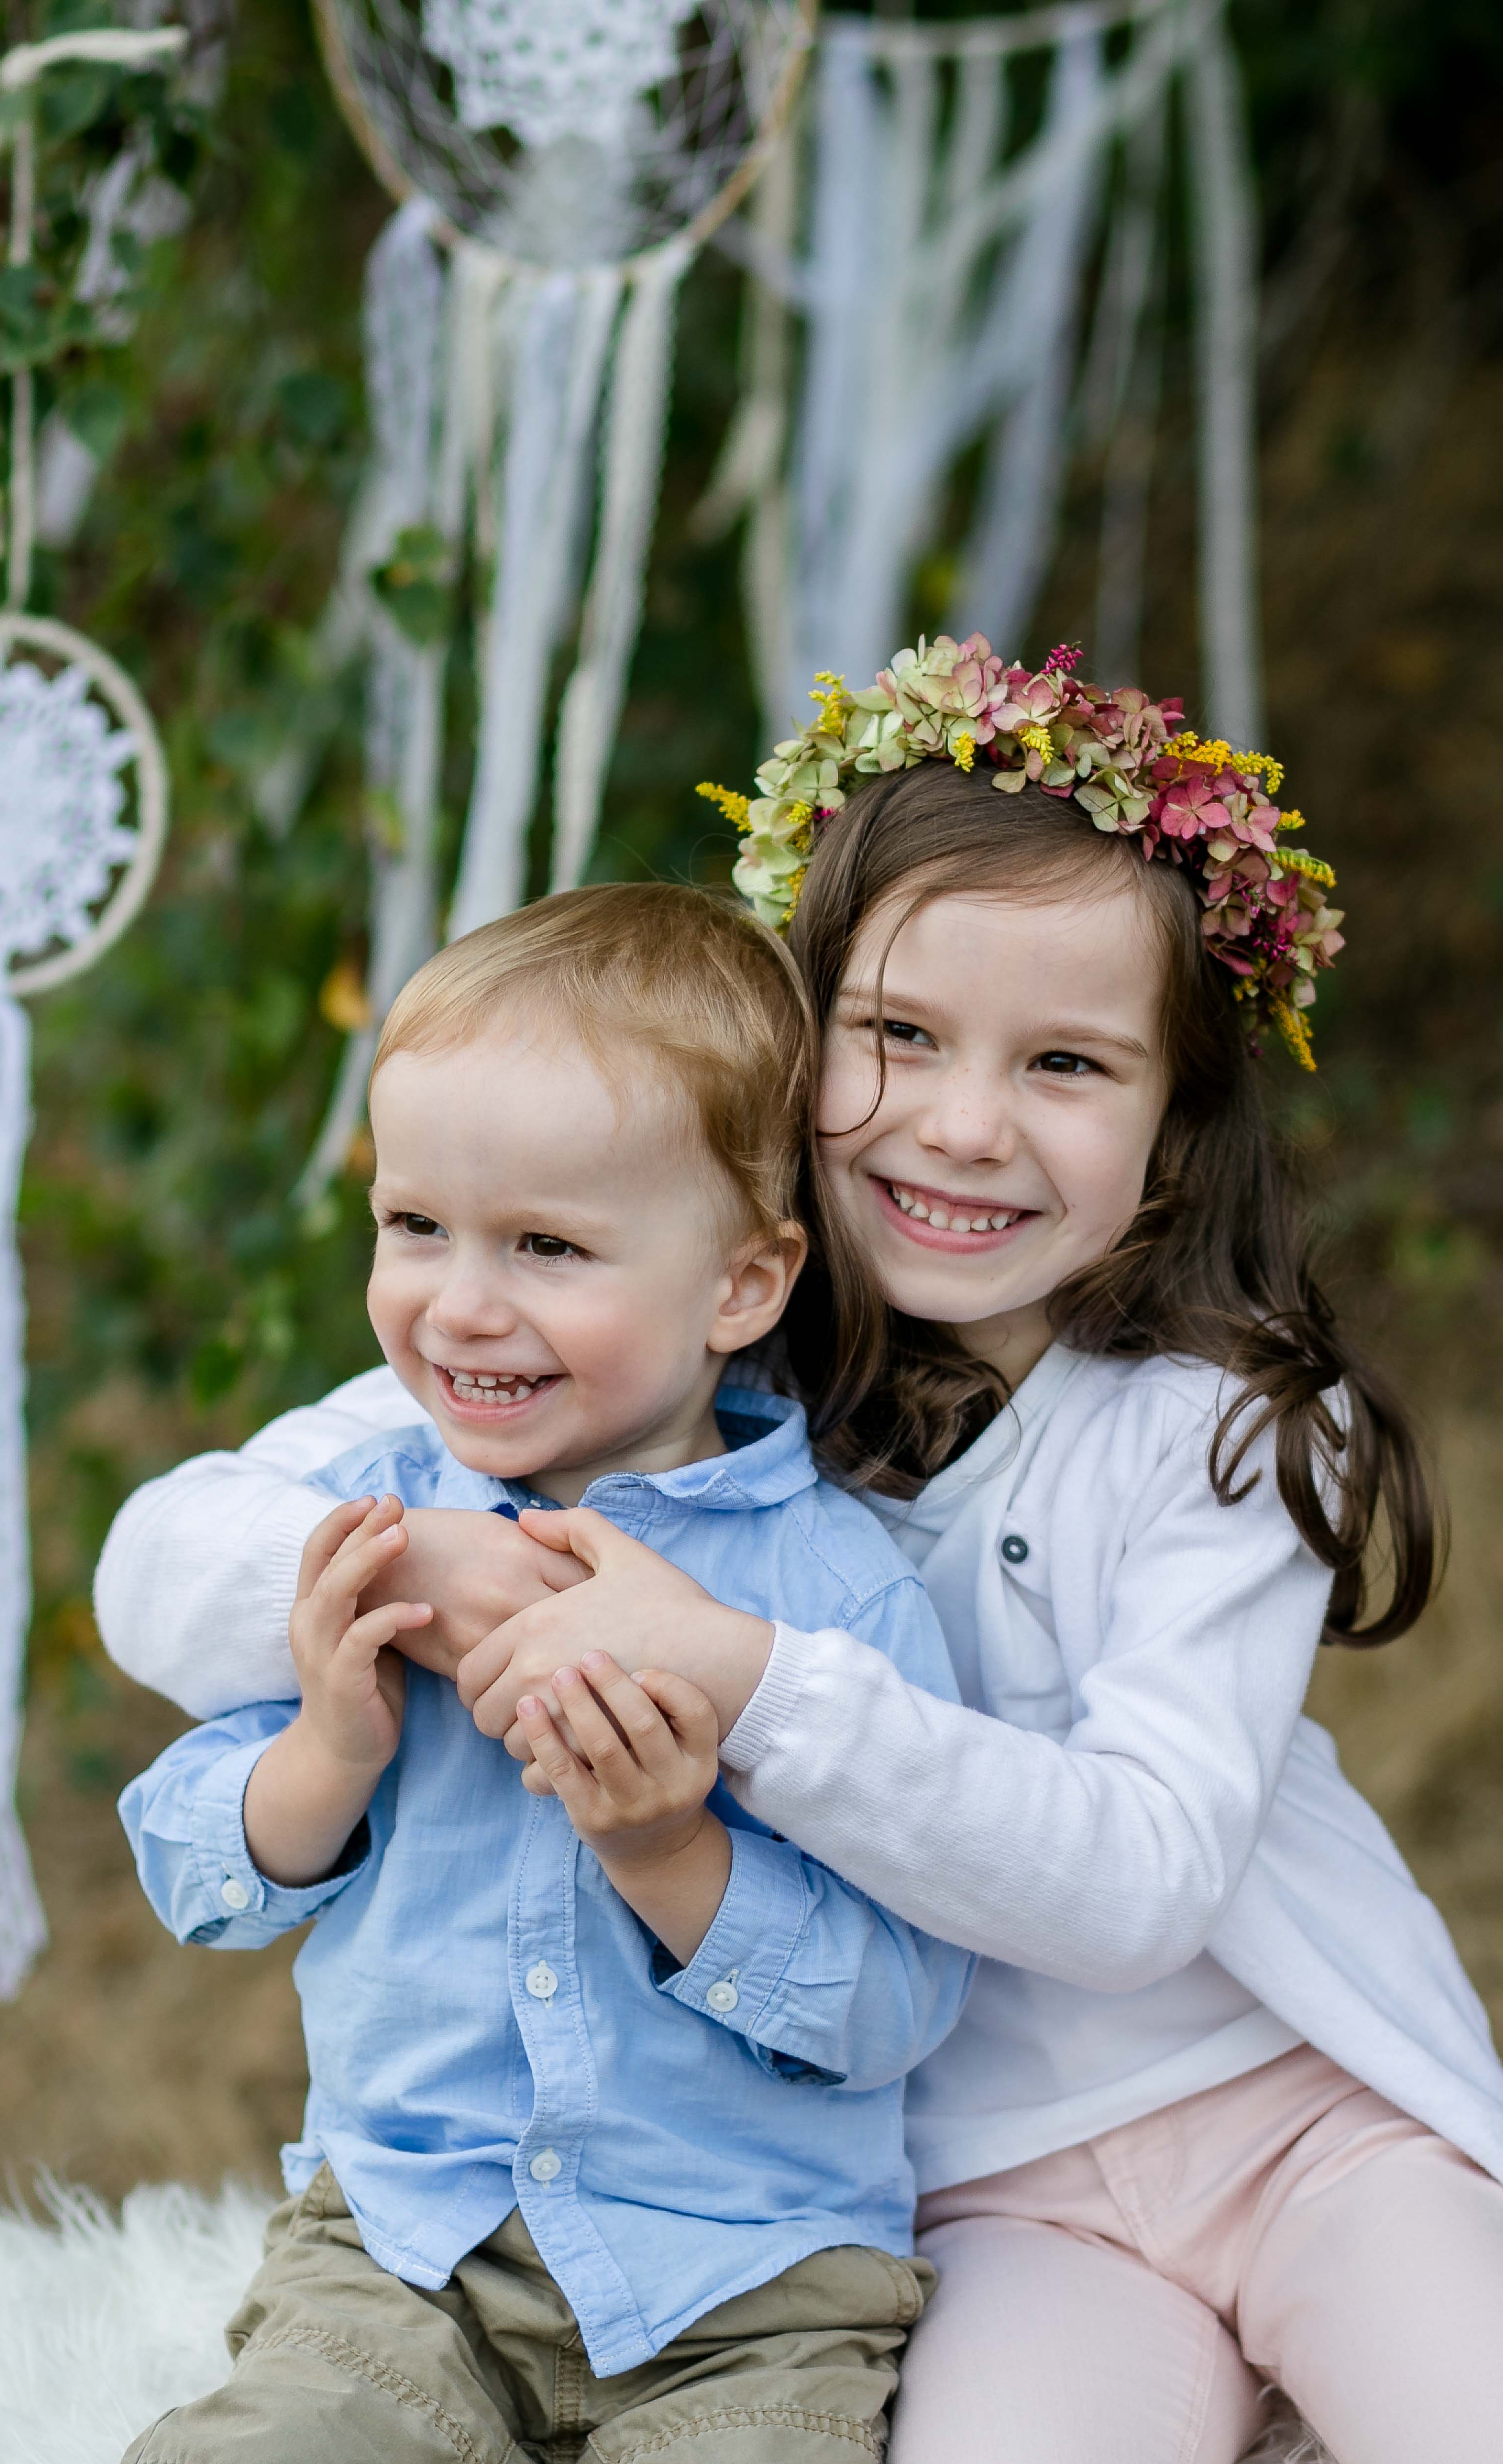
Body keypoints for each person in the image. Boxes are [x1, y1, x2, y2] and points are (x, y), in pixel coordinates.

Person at [99, 640, 1503, 2464]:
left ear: (1174, 1125)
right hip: (990, 2192)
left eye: (1067, 1062)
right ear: (789, 1047)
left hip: (1296, 2105)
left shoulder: (1210, 1426)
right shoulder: (653, 1354)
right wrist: (428, 1566)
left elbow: (1142, 1880)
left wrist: (742, 1676)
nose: (964, 1123)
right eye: (900, 1036)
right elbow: (162, 1564)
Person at [115, 883, 971, 2464]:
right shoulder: (370, 1525)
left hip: (750, 2288)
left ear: (742, 1286)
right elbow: (191, 1869)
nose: (461, 1302)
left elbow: (896, 2006)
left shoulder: (832, 1594)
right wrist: (330, 1753)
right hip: (405, 2255)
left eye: (549, 1246)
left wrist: (668, 1851)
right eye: (415, 1224)